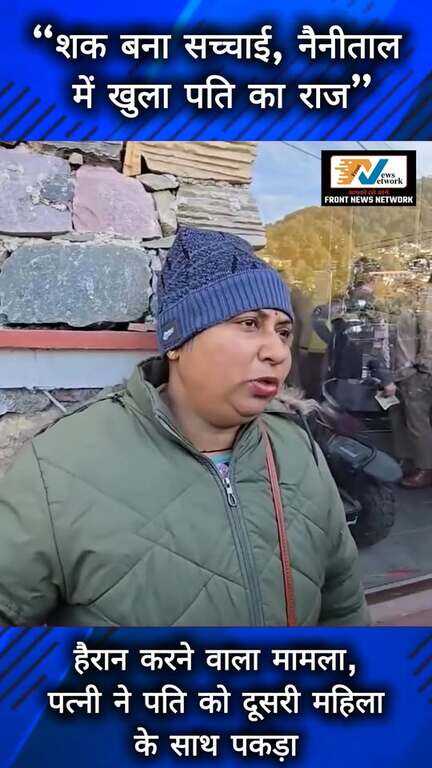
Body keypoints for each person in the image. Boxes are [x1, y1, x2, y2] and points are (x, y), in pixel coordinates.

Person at [0, 227, 368, 626]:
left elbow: (344, 607)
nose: (277, 352)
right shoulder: (58, 467)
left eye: (283, 332)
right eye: (249, 323)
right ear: (176, 342)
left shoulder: (297, 448)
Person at [389, 276, 432, 489]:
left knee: (417, 422)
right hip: (405, 370)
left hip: (415, 372)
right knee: (403, 416)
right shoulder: (413, 299)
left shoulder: (426, 299)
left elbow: (428, 334)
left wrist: (422, 366)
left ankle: (425, 468)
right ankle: (412, 462)